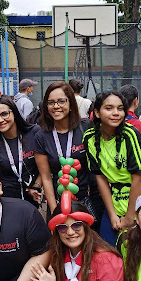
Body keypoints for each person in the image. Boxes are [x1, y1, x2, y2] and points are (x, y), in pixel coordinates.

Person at [83, 91, 141, 245]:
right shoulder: (89, 137)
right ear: (97, 113)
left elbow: (138, 178)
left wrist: (130, 217)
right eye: (109, 108)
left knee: (138, 250)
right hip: (115, 200)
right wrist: (112, 215)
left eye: (120, 109)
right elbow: (100, 178)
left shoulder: (130, 135)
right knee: (108, 249)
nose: (116, 113)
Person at [35, 81, 94, 217]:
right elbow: (46, 177)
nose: (56, 106)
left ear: (71, 104)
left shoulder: (86, 127)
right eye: (51, 103)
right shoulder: (41, 136)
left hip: (85, 202)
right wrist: (55, 210)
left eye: (61, 101)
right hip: (57, 202)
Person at [0, 95, 43, 206]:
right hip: (7, 203)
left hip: (32, 200)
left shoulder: (34, 133)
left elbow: (45, 167)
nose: (0, 120)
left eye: (5, 114)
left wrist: (36, 186)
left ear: (14, 113)